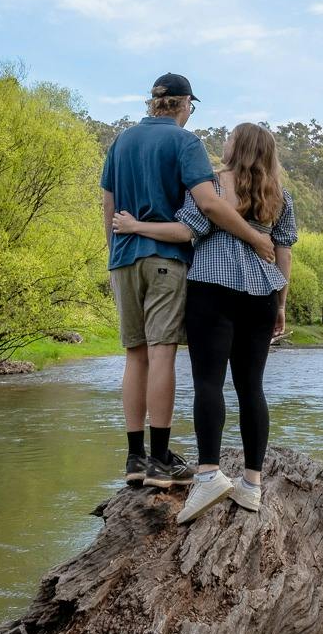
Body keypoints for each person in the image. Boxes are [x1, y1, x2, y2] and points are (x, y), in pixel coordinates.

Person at [101, 74, 280, 491]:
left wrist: (115, 253)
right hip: (166, 259)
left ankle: (134, 458)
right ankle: (161, 460)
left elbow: (108, 206)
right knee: (162, 354)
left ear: (153, 103)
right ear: (183, 105)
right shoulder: (185, 143)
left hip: (123, 260)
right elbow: (209, 204)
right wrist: (255, 237)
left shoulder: (120, 143)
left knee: (135, 355)